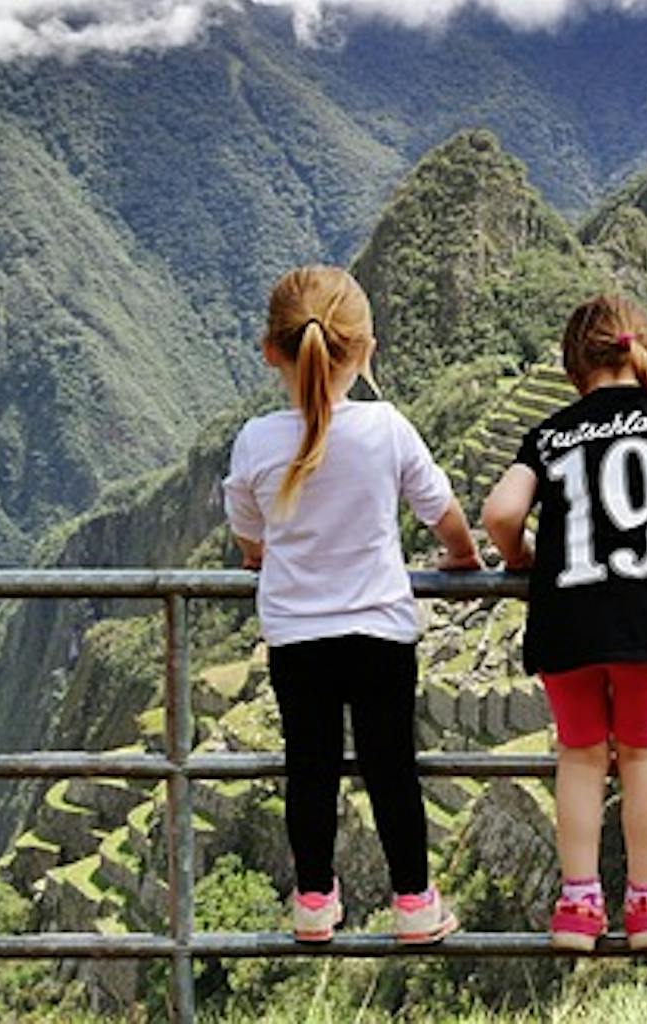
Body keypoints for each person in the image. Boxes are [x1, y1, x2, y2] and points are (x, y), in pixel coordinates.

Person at [481, 294, 647, 953]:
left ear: (575, 365)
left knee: (578, 753)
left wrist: (520, 559)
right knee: (642, 751)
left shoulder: (548, 434)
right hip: (643, 612)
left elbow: (499, 514)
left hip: (565, 613)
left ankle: (577, 903)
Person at [222, 265, 477, 945]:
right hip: (379, 634)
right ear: (365, 349)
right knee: (391, 767)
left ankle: (312, 903)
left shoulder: (255, 441)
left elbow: (249, 536)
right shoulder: (387, 429)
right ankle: (415, 904)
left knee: (310, 769)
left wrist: (262, 555)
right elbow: (442, 514)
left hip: (297, 639)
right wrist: (462, 557)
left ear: (270, 350)